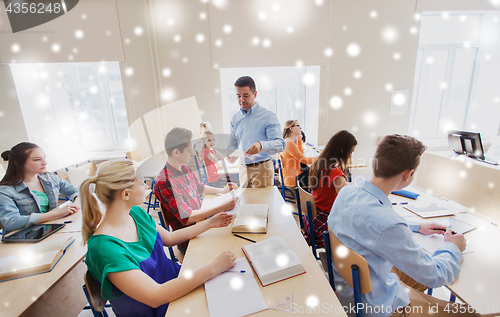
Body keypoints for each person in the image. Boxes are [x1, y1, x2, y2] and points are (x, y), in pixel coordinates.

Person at [328, 134, 475, 317]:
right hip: (378, 307)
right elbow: (436, 276)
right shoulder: (389, 224)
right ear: (407, 174)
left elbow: (371, 223)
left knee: (415, 275)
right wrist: (453, 247)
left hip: (350, 293)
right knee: (468, 313)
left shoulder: (347, 192)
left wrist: (415, 226)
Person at [82, 159, 236, 317]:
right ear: (126, 194)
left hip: (176, 283)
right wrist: (214, 267)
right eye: (142, 182)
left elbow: (169, 237)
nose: (147, 186)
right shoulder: (104, 249)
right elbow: (156, 296)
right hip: (159, 308)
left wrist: (210, 223)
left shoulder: (135, 213)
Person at [154, 127, 238, 254]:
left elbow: (199, 186)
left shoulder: (185, 168)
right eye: (189, 151)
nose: (193, 154)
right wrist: (221, 207)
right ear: (176, 152)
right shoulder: (164, 181)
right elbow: (186, 217)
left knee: (233, 231)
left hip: (202, 223)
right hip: (189, 238)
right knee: (231, 243)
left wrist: (222, 191)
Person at [0, 142, 79, 234]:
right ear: (17, 163)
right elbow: (11, 222)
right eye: (37, 160)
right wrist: (55, 213)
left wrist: (75, 204)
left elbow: (76, 191)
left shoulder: (49, 177)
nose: (45, 163)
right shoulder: (5, 191)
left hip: (55, 231)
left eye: (44, 158)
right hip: (27, 241)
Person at [227, 76, 285, 188]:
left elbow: (281, 144)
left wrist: (261, 145)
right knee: (245, 204)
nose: (242, 100)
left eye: (246, 95)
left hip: (262, 169)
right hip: (243, 169)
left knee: (263, 204)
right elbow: (233, 143)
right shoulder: (235, 119)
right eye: (238, 96)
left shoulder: (268, 116)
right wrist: (231, 153)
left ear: (255, 94)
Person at [305, 130, 357, 247]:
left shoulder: (319, 164)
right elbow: (345, 198)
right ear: (343, 150)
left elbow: (338, 185)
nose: (350, 155)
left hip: (311, 219)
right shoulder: (335, 171)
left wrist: (351, 185)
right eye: (351, 152)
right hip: (323, 226)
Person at [280, 120, 317, 189]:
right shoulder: (289, 143)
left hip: (291, 177)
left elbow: (301, 157)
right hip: (294, 178)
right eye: (298, 126)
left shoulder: (287, 141)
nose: (301, 128)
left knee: (315, 173)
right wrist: (321, 156)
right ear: (291, 128)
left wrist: (299, 142)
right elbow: (305, 160)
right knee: (321, 177)